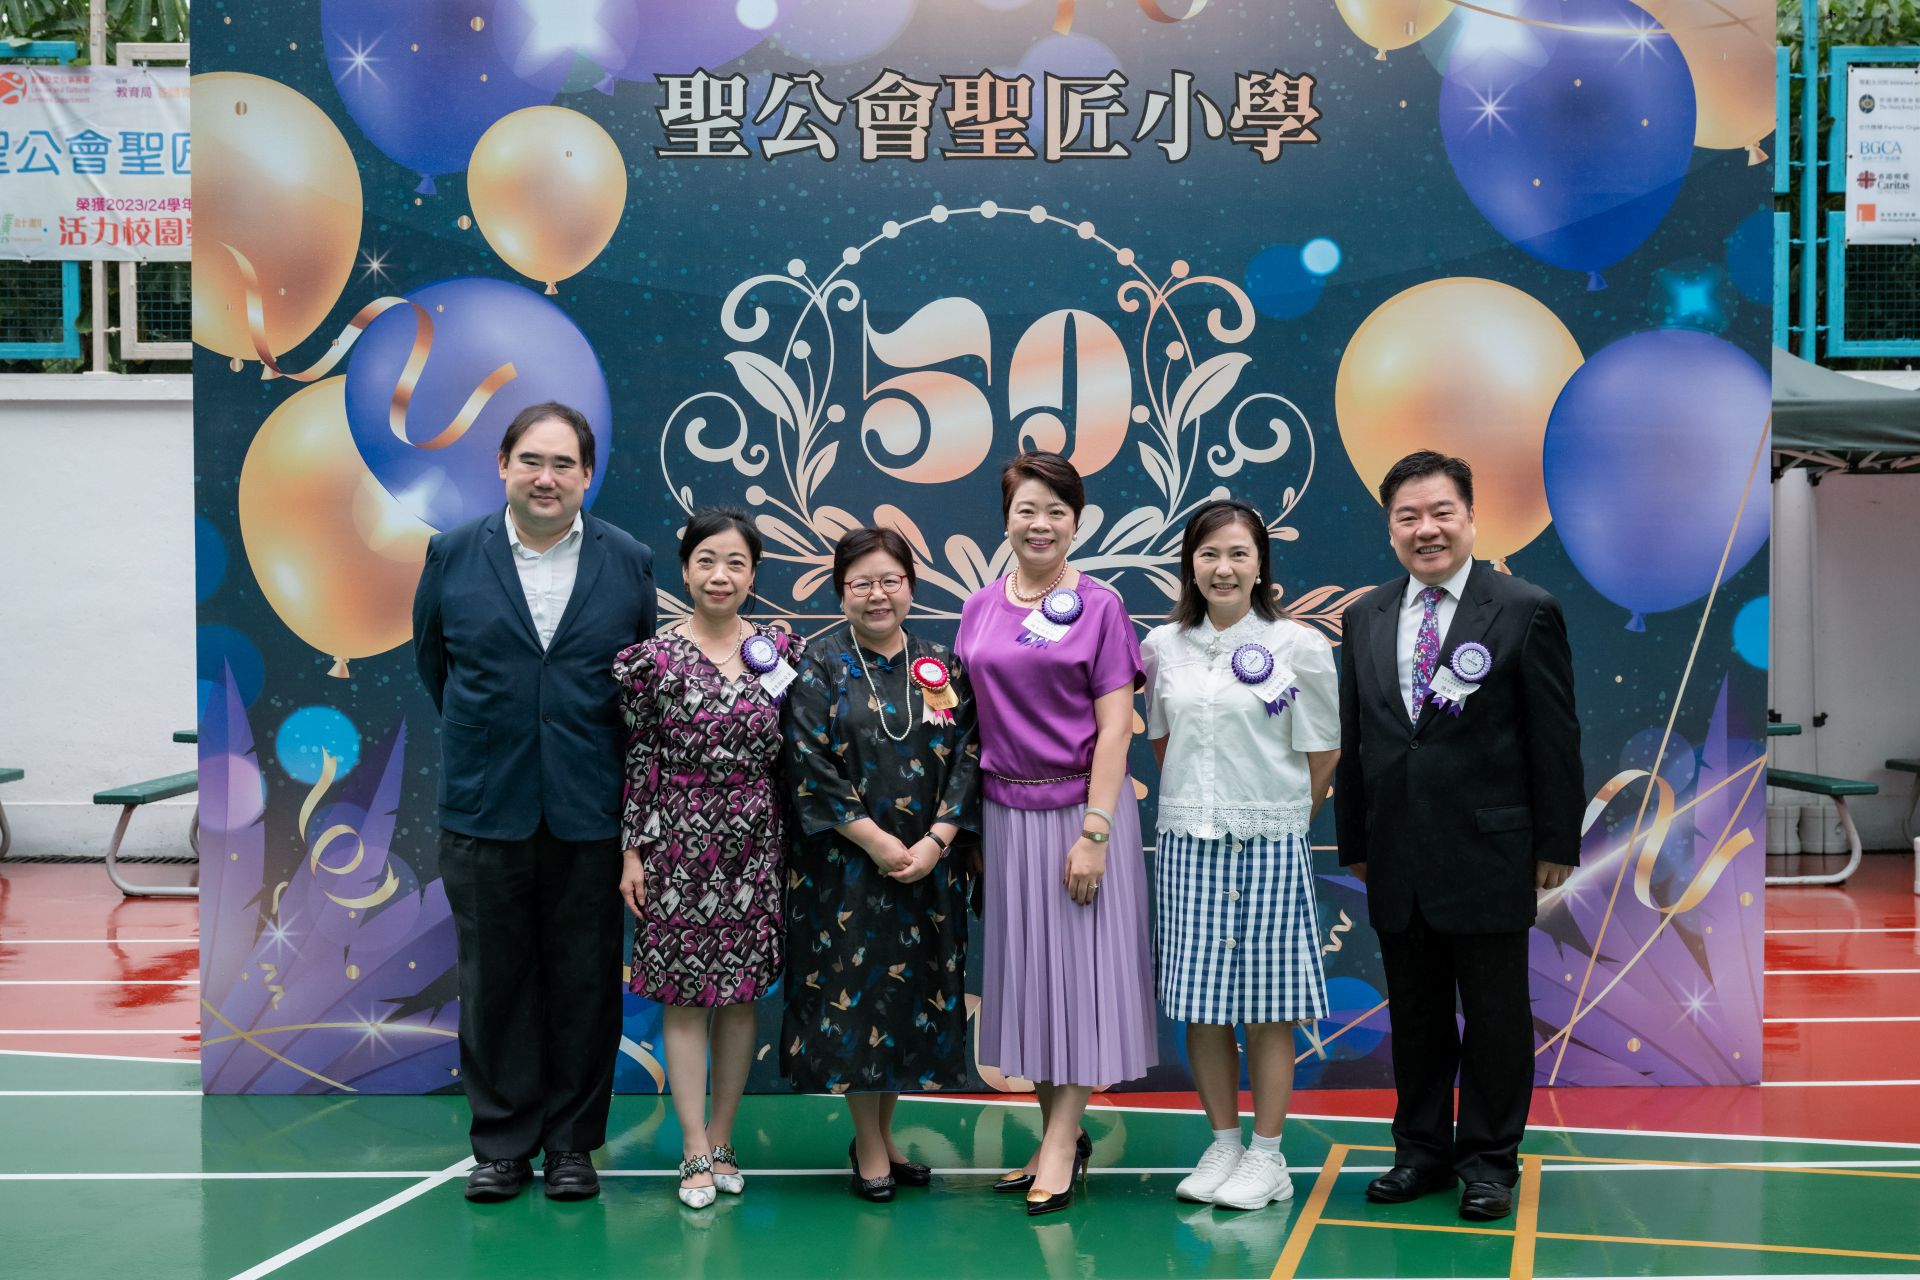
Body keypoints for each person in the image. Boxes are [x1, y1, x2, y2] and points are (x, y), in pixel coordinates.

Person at [412, 401, 657, 1203]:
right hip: (487, 807)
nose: (546, 478)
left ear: (587, 475)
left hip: (591, 810)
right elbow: (436, 668)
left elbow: (638, 688)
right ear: (503, 465)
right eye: (531, 461)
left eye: (563, 464)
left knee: (585, 983)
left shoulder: (628, 560)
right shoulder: (452, 555)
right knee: (494, 984)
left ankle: (572, 1145)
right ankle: (502, 1146)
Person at [1333, 450, 1582, 1223]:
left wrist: (1556, 843)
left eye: (1441, 512)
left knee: (1496, 1018)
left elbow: (1555, 737)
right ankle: (1420, 1153)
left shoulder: (1524, 609)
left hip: (1490, 853)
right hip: (1396, 857)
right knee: (1415, 1018)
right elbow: (1357, 739)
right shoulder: (1365, 616)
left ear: (1472, 517)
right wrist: (1356, 843)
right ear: (1390, 529)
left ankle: (1489, 1161)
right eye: (1408, 516)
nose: (1426, 529)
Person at [955, 451, 1158, 1218]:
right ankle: (1056, 1136)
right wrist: (972, 829)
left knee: (1077, 982)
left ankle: (1062, 1144)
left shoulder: (1101, 606)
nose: (1040, 525)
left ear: (1077, 522)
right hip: (1005, 821)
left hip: (1080, 816)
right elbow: (968, 726)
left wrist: (1096, 832)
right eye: (1026, 510)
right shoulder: (980, 607)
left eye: (1056, 512)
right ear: (1006, 517)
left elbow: (1116, 729)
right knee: (1032, 983)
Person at [1140, 500, 1340, 1211]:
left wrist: (1278, 819)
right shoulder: (1162, 646)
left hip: (1270, 845)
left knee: (1268, 1008)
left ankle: (1267, 1156)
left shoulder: (1299, 646)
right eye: (1208, 555)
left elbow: (1323, 752)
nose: (1222, 569)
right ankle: (1223, 1142)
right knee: (1201, 1006)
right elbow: (1163, 741)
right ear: (1190, 565)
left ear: (1260, 565)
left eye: (1238, 554)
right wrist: (1207, 803)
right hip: (1189, 842)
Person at [780, 526, 982, 1202]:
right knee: (857, 1000)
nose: (877, 594)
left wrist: (937, 841)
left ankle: (886, 1135)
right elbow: (809, 763)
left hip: (928, 867)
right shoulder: (818, 664)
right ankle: (866, 1143)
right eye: (861, 583)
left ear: (910, 587)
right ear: (841, 592)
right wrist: (877, 843)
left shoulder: (942, 665)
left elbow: (970, 755)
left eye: (890, 580)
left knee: (905, 1002)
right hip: (845, 870)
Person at [614, 507, 803, 1209]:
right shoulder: (651, 660)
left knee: (742, 995)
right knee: (686, 996)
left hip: (757, 841)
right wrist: (633, 850)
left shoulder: (779, 651)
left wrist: (792, 849)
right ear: (685, 570)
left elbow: (794, 758)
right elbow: (638, 758)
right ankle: (692, 1144)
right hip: (675, 841)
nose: (720, 575)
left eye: (736, 563)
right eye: (707, 561)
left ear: (753, 575)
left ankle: (723, 1137)